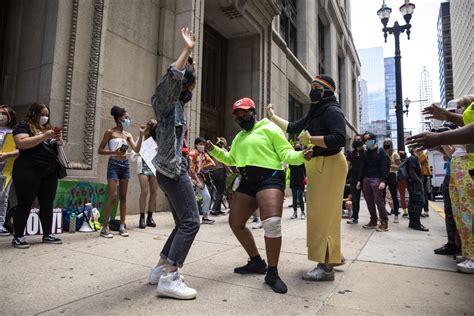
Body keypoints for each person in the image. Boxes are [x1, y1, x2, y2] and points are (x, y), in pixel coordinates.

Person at [207, 97, 312, 294]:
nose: (240, 116)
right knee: (235, 223)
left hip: (269, 179)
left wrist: (300, 157)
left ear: (253, 112)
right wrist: (214, 150)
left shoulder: (270, 128)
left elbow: (286, 153)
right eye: (237, 113)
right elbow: (231, 159)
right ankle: (256, 261)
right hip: (247, 181)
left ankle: (272, 272)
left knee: (271, 223)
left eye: (244, 112)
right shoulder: (239, 138)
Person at [267, 74, 347, 282]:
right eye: (311, 86)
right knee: (321, 215)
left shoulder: (331, 110)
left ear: (328, 90)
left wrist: (311, 140)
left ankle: (326, 266)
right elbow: (294, 127)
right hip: (320, 166)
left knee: (324, 216)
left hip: (330, 165)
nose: (313, 90)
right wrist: (273, 117)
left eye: (317, 87)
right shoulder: (316, 110)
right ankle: (332, 256)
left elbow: (339, 138)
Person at [148, 27, 201, 299]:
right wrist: (186, 51)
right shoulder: (167, 100)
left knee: (183, 222)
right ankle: (170, 276)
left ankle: (159, 269)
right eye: (190, 85)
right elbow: (172, 78)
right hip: (171, 169)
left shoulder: (175, 106)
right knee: (192, 221)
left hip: (171, 168)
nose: (191, 90)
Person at [11, 103, 63, 248]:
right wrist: (44, 136)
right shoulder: (24, 126)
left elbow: (54, 148)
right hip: (28, 170)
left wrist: (58, 141)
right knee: (25, 202)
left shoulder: (48, 129)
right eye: (42, 114)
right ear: (34, 114)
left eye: (47, 114)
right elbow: (21, 143)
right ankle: (18, 236)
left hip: (49, 171)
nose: (45, 117)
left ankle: (47, 233)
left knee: (47, 203)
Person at [98, 106, 145, 238]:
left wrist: (141, 135)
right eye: (126, 118)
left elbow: (136, 150)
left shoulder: (127, 134)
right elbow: (100, 150)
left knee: (123, 197)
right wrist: (114, 152)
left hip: (125, 164)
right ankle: (104, 227)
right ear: (119, 119)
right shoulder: (110, 132)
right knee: (112, 196)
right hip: (113, 163)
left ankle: (122, 226)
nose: (128, 120)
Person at [358, 132, 389, 232]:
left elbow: (384, 167)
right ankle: (373, 220)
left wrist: (383, 181)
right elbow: (362, 167)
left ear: (374, 139)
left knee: (379, 201)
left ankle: (384, 222)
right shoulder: (366, 153)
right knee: (369, 201)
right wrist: (360, 180)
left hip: (376, 179)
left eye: (369, 139)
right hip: (366, 179)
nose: (367, 141)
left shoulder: (381, 151)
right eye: (365, 140)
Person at [136, 119, 158, 229]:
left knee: (154, 191)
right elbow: (136, 149)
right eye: (151, 125)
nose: (152, 128)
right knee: (144, 191)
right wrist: (141, 135)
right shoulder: (143, 136)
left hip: (153, 165)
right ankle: (141, 217)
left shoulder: (158, 139)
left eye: (154, 126)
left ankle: (150, 217)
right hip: (143, 164)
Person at [188, 137, 216, 224]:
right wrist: (197, 181)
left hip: (200, 177)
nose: (202, 146)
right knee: (190, 199)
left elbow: (213, 163)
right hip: (190, 178)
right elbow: (191, 170)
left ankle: (205, 217)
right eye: (200, 144)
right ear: (196, 145)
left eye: (203, 144)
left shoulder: (204, 154)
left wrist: (203, 167)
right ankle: (188, 218)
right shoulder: (192, 154)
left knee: (207, 196)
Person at [0, 105, 18, 236]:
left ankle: (0, 223)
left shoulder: (14, 133)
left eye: (4, 114)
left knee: (3, 196)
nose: (1, 116)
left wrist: (8, 155)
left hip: (6, 168)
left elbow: (21, 150)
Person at [406, 146, 429, 232]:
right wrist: (419, 181)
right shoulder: (413, 158)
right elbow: (412, 171)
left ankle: (412, 222)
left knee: (413, 202)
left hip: (413, 183)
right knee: (419, 202)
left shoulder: (413, 158)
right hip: (415, 184)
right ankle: (416, 223)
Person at [346, 134, 365, 224]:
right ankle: (355, 217)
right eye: (356, 139)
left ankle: (374, 218)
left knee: (370, 199)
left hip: (364, 178)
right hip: (354, 179)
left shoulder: (365, 152)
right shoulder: (351, 153)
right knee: (355, 199)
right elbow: (347, 166)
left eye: (359, 139)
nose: (358, 141)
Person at [382, 138, 401, 223]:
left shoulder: (395, 154)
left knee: (394, 196)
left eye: (388, 143)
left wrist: (389, 165)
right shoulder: (382, 153)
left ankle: (396, 214)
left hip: (392, 175)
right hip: (383, 175)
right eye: (385, 143)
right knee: (382, 195)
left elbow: (398, 167)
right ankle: (383, 214)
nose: (386, 144)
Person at [210, 137, 230, 216]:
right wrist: (230, 170)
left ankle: (218, 209)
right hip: (221, 172)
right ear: (224, 143)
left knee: (218, 191)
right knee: (220, 192)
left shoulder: (215, 150)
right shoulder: (223, 150)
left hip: (214, 172)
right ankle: (214, 209)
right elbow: (225, 162)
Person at [289, 142, 306, 220]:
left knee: (300, 196)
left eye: (299, 146)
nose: (297, 148)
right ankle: (295, 212)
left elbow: (305, 170)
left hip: (300, 180)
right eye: (296, 146)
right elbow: (290, 166)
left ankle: (302, 212)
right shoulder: (291, 157)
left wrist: (306, 178)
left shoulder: (303, 157)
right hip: (293, 179)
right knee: (294, 197)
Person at [417, 150, 432, 217]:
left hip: (423, 174)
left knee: (423, 192)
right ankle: (425, 211)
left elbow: (417, 162)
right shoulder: (422, 155)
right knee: (423, 192)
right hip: (423, 174)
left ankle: (426, 211)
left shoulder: (423, 155)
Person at [398, 151, 409, 217]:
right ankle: (412, 209)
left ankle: (405, 212)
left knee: (402, 196)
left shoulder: (398, 163)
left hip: (400, 181)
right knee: (412, 195)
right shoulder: (408, 161)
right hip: (408, 180)